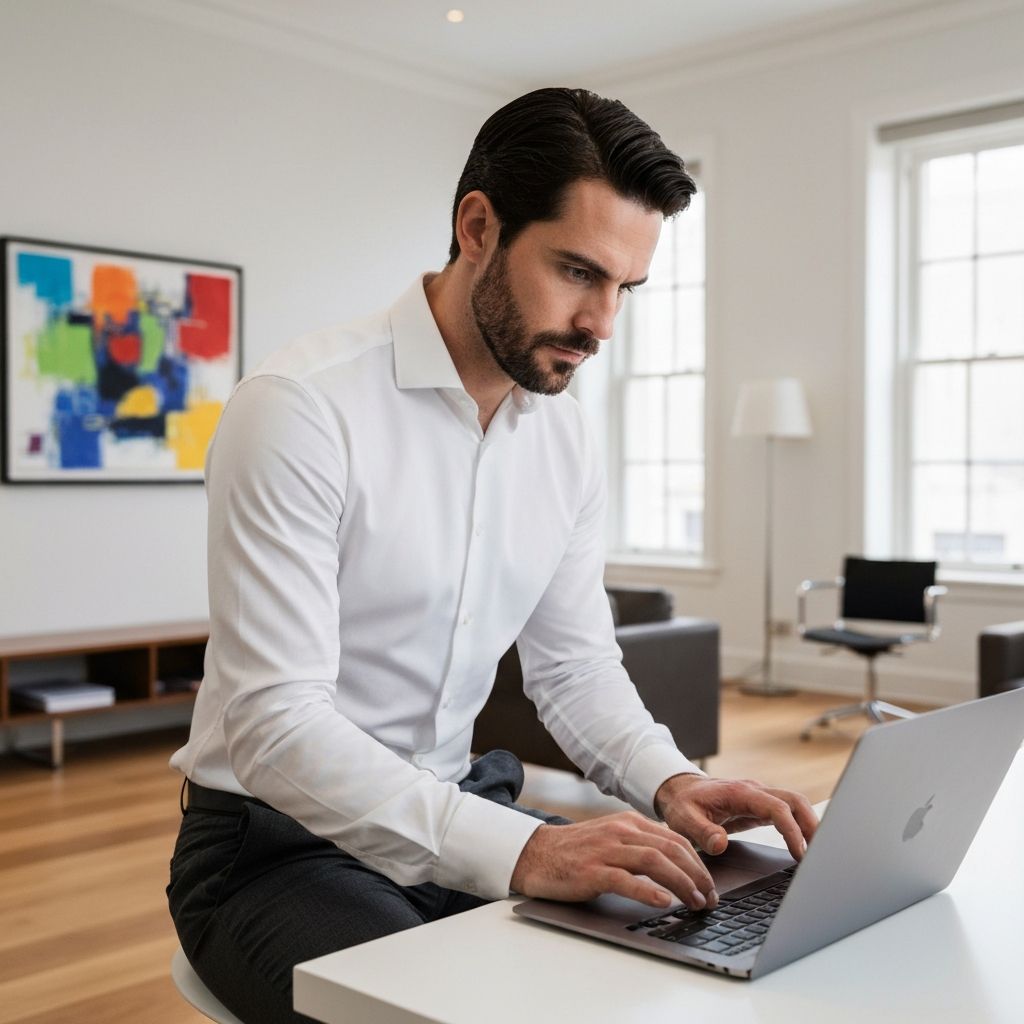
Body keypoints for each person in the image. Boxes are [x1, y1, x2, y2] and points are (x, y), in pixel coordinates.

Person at [167, 87, 817, 1024]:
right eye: (578, 272)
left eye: (625, 289)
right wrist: (524, 850)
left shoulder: (565, 437)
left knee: (683, 963)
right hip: (277, 846)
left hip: (464, 806)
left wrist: (672, 780)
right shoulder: (299, 409)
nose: (601, 324)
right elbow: (275, 724)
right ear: (478, 227)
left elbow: (574, 668)